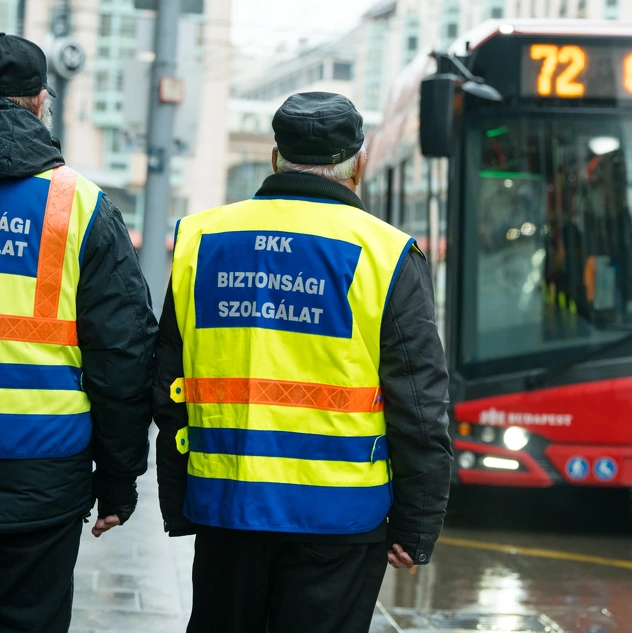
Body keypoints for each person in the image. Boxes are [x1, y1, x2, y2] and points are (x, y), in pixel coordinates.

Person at [153, 92, 453, 633]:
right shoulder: (387, 253)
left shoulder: (201, 239)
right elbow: (419, 403)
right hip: (340, 518)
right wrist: (417, 522)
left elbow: (169, 383)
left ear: (275, 157)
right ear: (358, 165)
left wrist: (179, 499)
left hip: (228, 504)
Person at [0, 34, 157, 632]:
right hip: (42, 473)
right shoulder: (81, 207)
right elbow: (121, 356)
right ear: (40, 102)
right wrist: (119, 481)